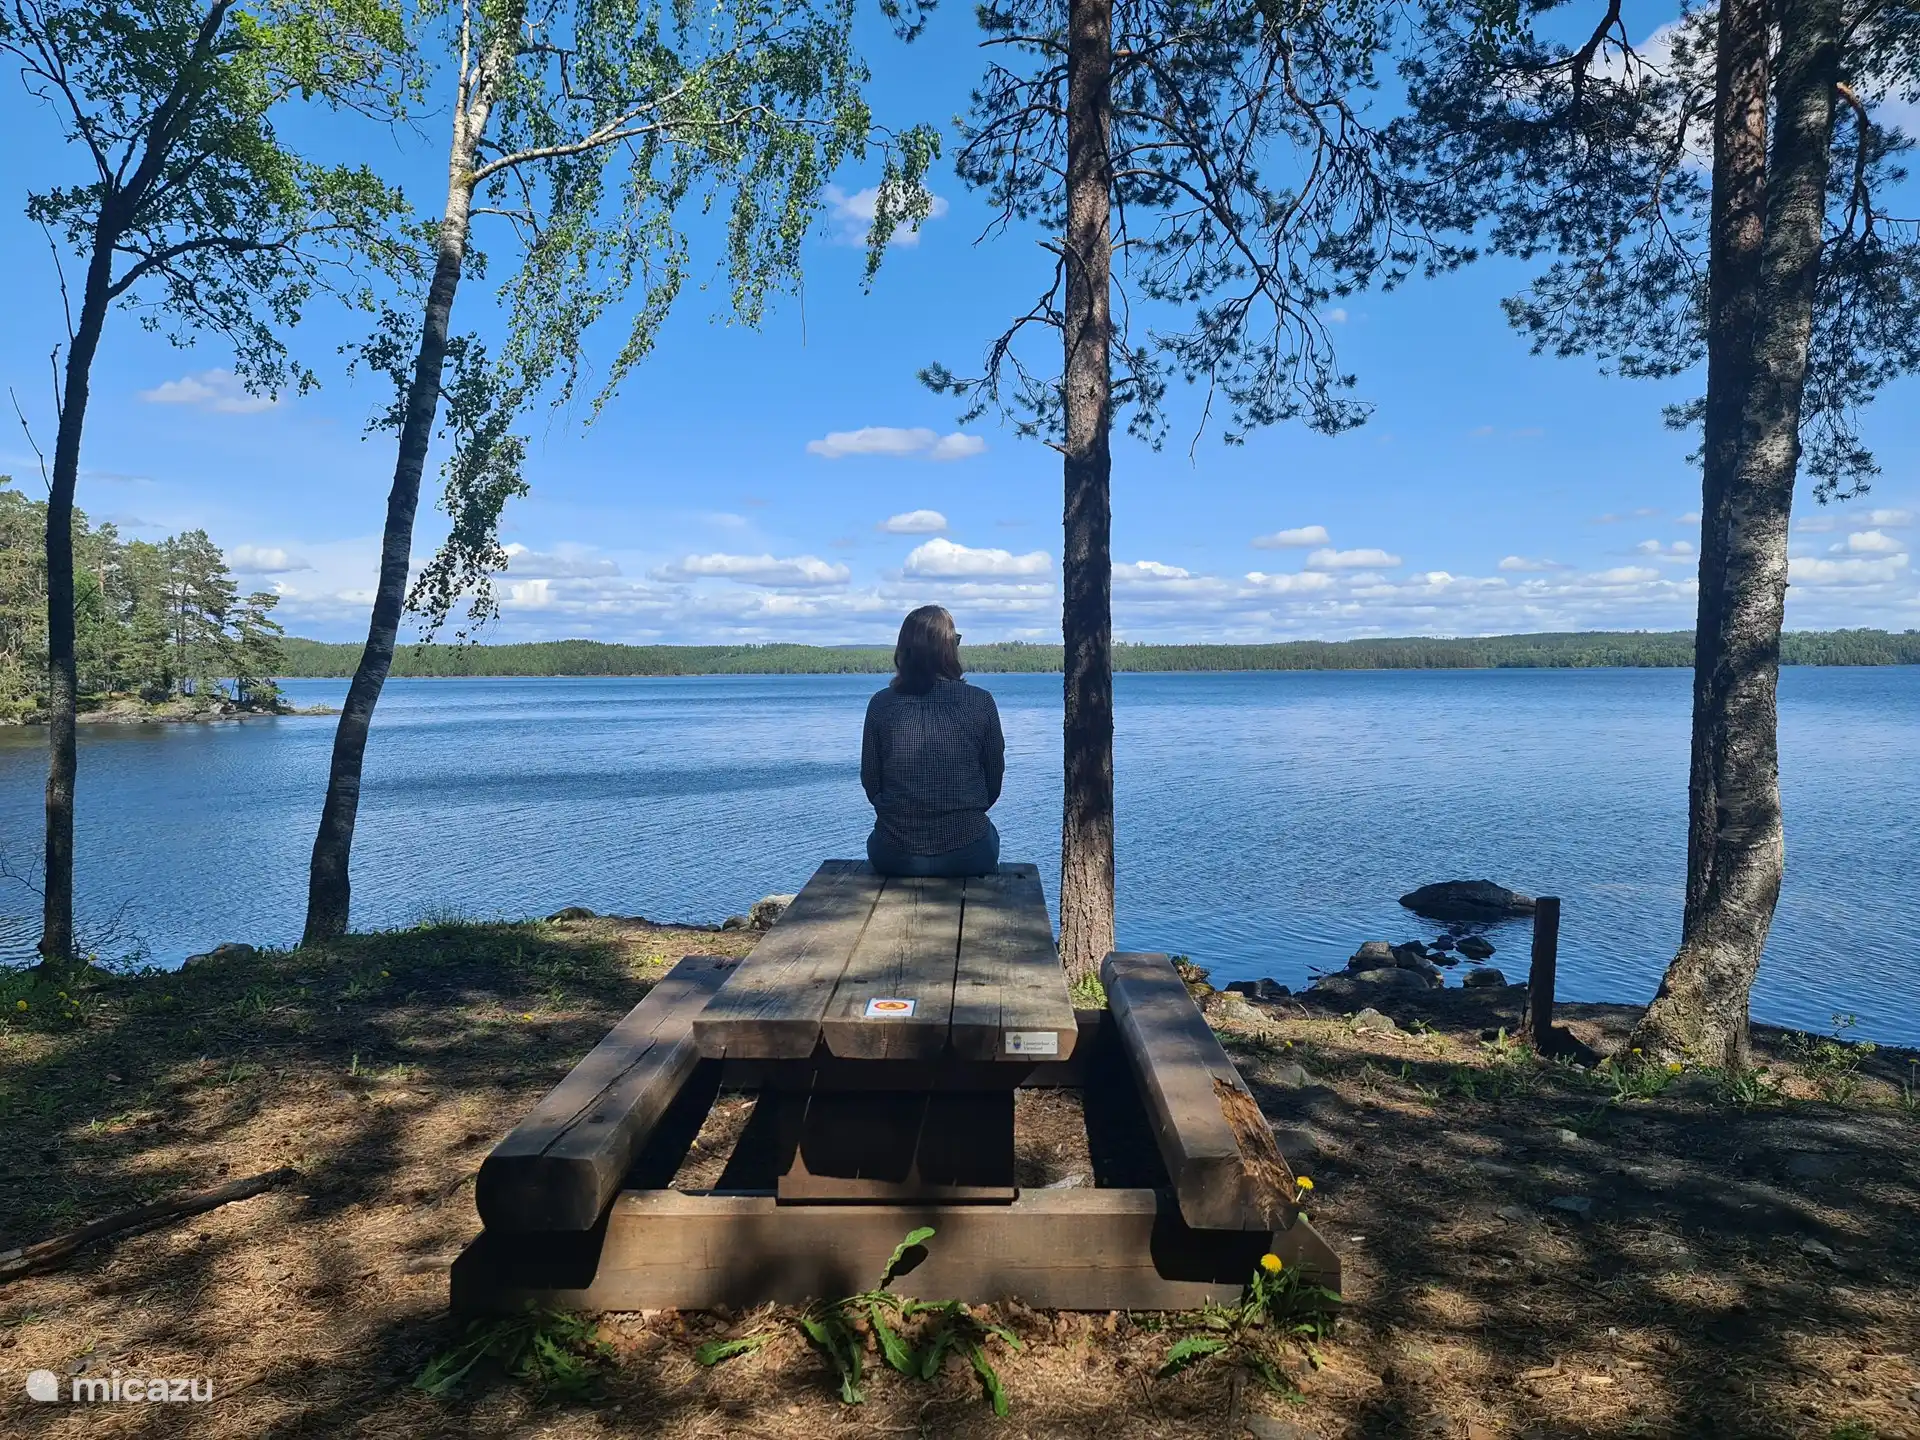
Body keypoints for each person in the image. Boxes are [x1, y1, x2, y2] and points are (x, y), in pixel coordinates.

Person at [861, 605, 1005, 878]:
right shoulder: (981, 702)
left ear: (903, 651)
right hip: (969, 851)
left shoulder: (881, 704)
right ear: (949, 650)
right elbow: (993, 782)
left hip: (895, 853)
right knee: (990, 839)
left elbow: (871, 781)